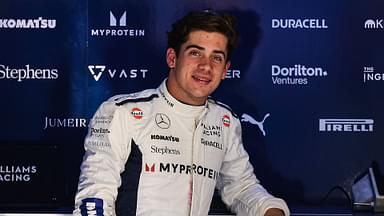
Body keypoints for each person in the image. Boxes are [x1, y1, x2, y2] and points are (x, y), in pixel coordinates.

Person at [73, 9, 290, 216]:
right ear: (172, 58)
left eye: (216, 57)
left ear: (225, 70)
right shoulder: (122, 112)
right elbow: (94, 197)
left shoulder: (225, 121)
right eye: (195, 53)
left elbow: (241, 188)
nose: (206, 66)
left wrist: (271, 210)